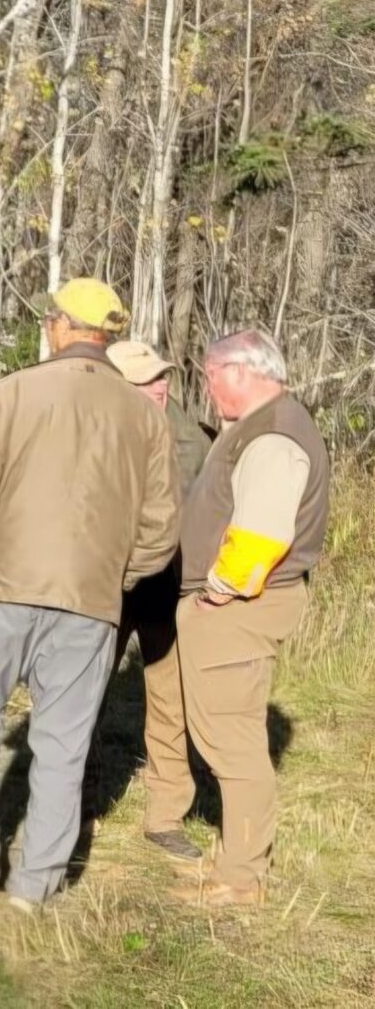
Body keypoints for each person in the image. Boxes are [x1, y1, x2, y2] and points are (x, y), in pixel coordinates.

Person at [0, 277, 177, 909]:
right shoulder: (144, 418)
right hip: (90, 601)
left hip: (3, 587)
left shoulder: (14, 392)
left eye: (48, 318)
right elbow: (161, 527)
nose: (46, 326)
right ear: (107, 335)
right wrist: (114, 577)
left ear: (62, 325)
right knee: (65, 741)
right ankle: (36, 885)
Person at [159, 331, 328, 908]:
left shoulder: (274, 433)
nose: (205, 388)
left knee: (233, 743)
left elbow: (263, 532)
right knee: (230, 733)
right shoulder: (259, 425)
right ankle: (236, 863)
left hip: (240, 604)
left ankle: (242, 880)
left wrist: (218, 590)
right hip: (237, 603)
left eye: (209, 376)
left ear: (240, 371)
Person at [106, 337, 214, 864]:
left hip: (164, 581)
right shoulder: (98, 424)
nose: (160, 385)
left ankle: (166, 814)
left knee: (170, 698)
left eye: (162, 376)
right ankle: (65, 794)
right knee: (78, 688)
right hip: (104, 581)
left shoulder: (185, 434)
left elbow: (190, 504)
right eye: (145, 379)